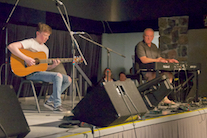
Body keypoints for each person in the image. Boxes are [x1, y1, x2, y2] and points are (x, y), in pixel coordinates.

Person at [7, 22, 72, 112]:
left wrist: (53, 66)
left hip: (39, 72)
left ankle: (50, 101)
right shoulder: (30, 42)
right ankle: (57, 105)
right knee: (58, 76)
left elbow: (43, 68)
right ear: (38, 33)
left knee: (68, 79)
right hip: (30, 73)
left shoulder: (45, 49)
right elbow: (11, 46)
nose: (46, 38)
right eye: (45, 35)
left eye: (48, 36)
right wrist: (26, 58)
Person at [135, 28, 179, 104]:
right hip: (143, 71)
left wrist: (168, 60)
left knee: (169, 75)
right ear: (143, 36)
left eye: (150, 36)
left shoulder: (154, 46)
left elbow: (159, 58)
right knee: (155, 76)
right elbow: (144, 60)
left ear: (153, 37)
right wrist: (158, 60)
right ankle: (156, 99)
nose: (148, 38)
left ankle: (164, 97)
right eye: (147, 36)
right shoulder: (140, 45)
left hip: (154, 70)